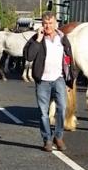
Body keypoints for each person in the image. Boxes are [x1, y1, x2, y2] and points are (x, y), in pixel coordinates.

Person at [23, 10, 76, 152]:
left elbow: (69, 58)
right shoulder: (36, 38)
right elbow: (28, 56)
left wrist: (70, 79)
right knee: (43, 113)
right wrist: (38, 40)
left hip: (59, 79)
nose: (48, 26)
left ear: (56, 24)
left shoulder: (62, 38)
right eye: (45, 23)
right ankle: (47, 139)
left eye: (50, 23)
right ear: (42, 24)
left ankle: (58, 137)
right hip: (43, 81)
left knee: (62, 108)